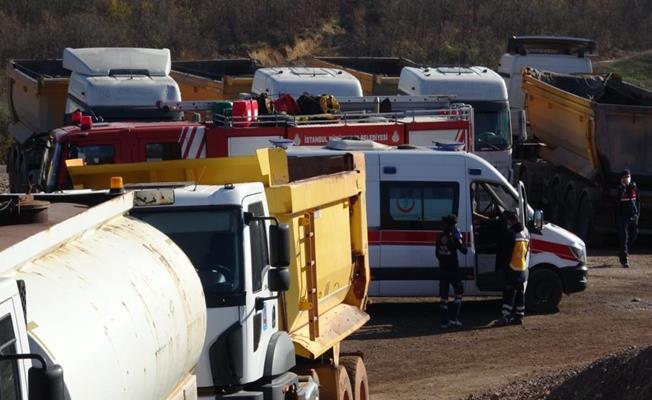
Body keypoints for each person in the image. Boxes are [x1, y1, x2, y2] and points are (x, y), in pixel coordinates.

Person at [497, 211, 530, 326]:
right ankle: (519, 316)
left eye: (507, 221)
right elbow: (526, 252)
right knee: (520, 294)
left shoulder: (510, 234)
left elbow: (506, 254)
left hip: (512, 269)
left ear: (510, 221)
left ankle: (505, 317)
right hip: (522, 268)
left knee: (509, 294)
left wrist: (502, 267)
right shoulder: (525, 233)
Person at [435, 214, 468, 328]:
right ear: (453, 225)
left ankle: (444, 322)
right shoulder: (454, 238)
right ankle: (454, 319)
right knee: (459, 294)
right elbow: (464, 251)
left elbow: (437, 254)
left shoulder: (439, 237)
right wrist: (460, 238)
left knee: (444, 298)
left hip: (443, 270)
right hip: (454, 270)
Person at [616, 169, 640, 268]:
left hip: (633, 216)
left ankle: (623, 252)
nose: (626, 179)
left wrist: (637, 214)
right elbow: (617, 202)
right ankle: (624, 259)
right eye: (624, 177)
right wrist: (623, 188)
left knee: (634, 234)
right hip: (623, 217)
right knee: (624, 237)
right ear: (621, 179)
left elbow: (637, 201)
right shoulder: (620, 189)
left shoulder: (634, 188)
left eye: (628, 177)